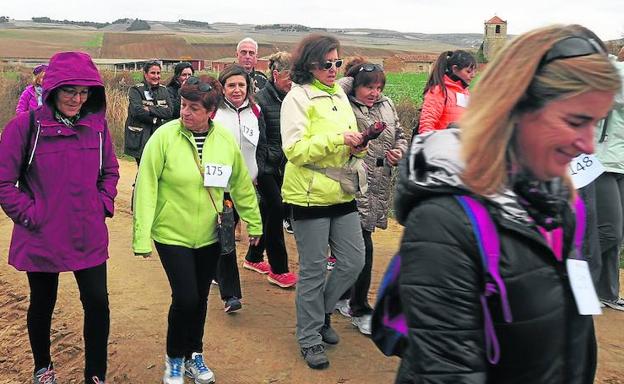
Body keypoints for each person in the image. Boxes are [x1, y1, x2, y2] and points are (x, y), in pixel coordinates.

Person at [393, 25, 619, 384]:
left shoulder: (559, 196)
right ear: (514, 106)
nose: (589, 145)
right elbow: (447, 373)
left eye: (595, 123)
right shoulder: (446, 221)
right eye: (576, 121)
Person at [132, 74, 262, 384]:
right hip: (171, 233)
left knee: (201, 297)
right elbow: (147, 188)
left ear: (211, 112)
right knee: (186, 297)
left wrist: (254, 222)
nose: (185, 113)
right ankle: (175, 358)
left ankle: (194, 354)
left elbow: (241, 185)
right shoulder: (163, 138)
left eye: (194, 108)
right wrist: (141, 237)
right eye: (184, 106)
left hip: (210, 233)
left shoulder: (224, 141)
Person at [0, 51, 119, 383]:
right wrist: (30, 215)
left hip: (87, 231)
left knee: (97, 303)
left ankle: (95, 374)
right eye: (70, 90)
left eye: (84, 92)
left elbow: (109, 171)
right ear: (52, 88)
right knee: (43, 302)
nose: (77, 99)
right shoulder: (26, 127)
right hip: (42, 232)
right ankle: (43, 367)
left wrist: (103, 205)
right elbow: (4, 181)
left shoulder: (97, 127)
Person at [281, 33, 366, 369]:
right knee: (314, 271)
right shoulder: (297, 98)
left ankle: (321, 315)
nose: (333, 69)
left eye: (337, 62)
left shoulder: (339, 96)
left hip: (341, 191)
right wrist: (338, 138)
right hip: (309, 194)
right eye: (326, 63)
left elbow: (343, 143)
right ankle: (309, 338)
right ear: (309, 65)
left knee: (353, 262)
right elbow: (295, 150)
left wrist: (355, 145)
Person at [334, 58, 407, 335]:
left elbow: (399, 133)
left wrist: (398, 151)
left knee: (356, 245)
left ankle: (342, 296)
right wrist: (348, 82)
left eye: (378, 87)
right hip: (352, 181)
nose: (374, 92)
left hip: (379, 182)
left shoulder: (386, 105)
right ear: (355, 85)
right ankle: (361, 307)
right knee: (362, 246)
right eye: (368, 87)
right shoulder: (343, 104)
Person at [212, 64, 267, 311]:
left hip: (246, 185)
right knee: (226, 237)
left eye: (241, 85)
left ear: (248, 87)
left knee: (224, 235)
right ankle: (231, 295)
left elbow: (262, 145)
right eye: (231, 85)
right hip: (220, 187)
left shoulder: (255, 110)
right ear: (222, 88)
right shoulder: (213, 112)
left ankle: (214, 269)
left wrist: (258, 172)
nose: (237, 90)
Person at [244, 51, 298, 288]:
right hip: (265, 166)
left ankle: (253, 257)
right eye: (289, 77)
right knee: (277, 209)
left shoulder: (294, 98)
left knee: (268, 210)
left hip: (286, 167)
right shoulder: (260, 101)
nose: (293, 82)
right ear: (276, 74)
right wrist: (256, 171)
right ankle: (279, 269)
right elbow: (255, 140)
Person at [593, 47, 624, 311]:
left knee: (617, 232)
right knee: (609, 230)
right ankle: (564, 275)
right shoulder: (612, 74)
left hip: (620, 163)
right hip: (602, 163)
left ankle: (607, 292)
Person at [123, 60, 172, 165]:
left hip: (157, 136)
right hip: (140, 138)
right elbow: (137, 111)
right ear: (145, 74)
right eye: (153, 73)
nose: (156, 76)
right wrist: (156, 116)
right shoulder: (136, 90)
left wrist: (149, 109)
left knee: (156, 167)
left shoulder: (164, 90)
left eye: (158, 73)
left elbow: (169, 112)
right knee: (143, 168)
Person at [417, 50, 476, 134]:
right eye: (468, 71)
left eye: (474, 71)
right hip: (442, 144)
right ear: (455, 69)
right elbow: (426, 125)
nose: (473, 75)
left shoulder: (465, 92)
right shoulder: (439, 91)